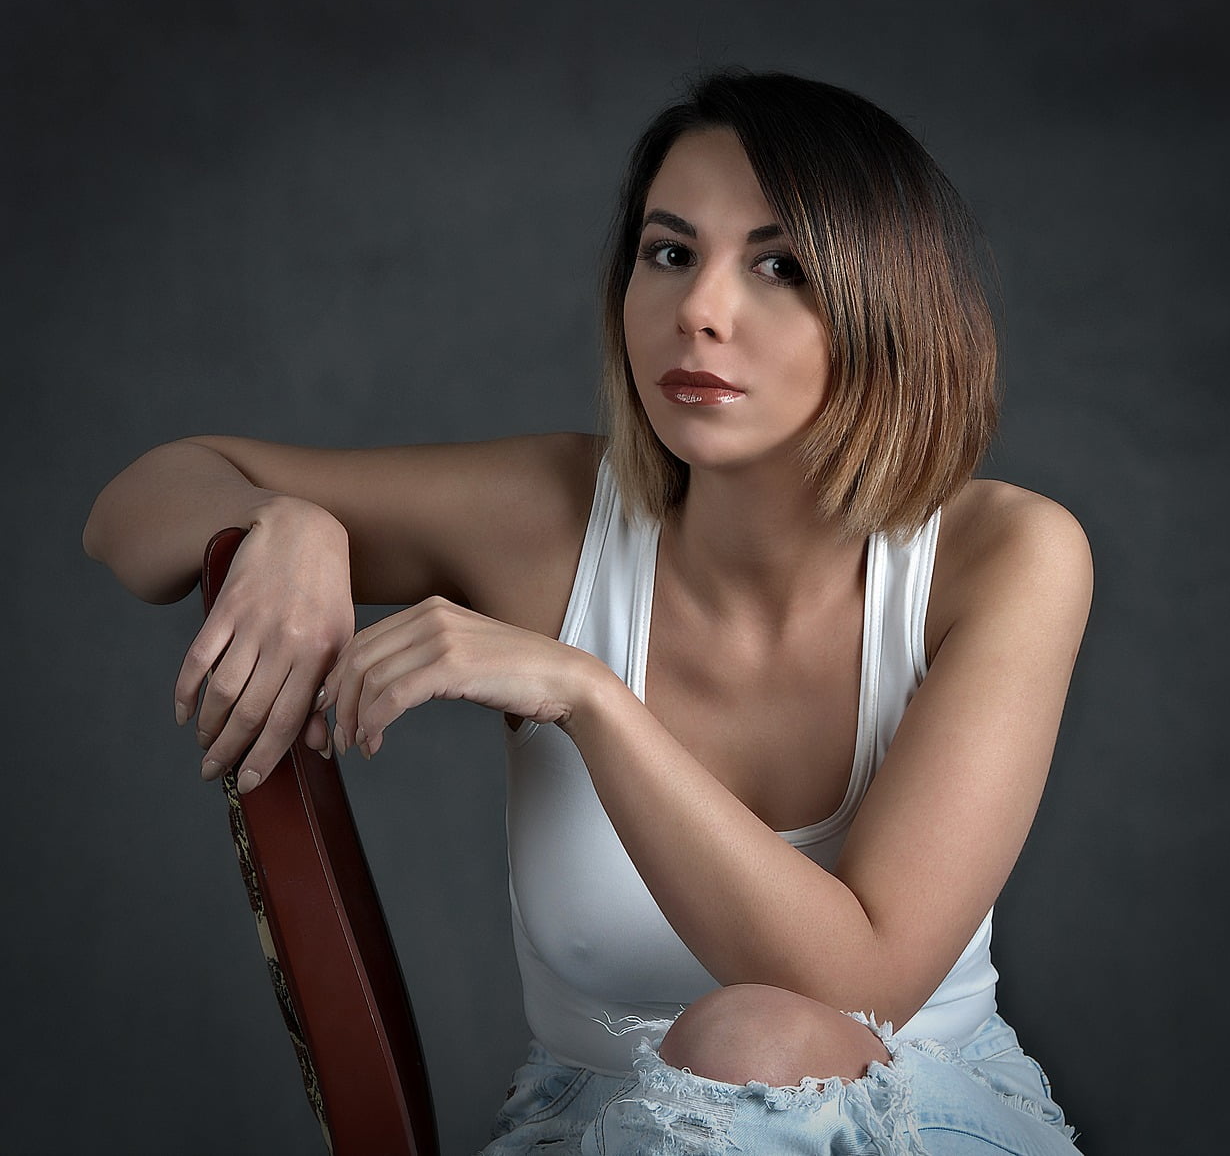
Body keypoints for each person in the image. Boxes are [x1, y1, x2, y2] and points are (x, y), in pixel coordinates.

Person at [84, 71, 1089, 1154]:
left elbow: (856, 983)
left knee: (754, 1031)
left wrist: (589, 697)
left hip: (915, 1117)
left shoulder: (1000, 555)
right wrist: (282, 523)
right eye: (668, 252)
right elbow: (133, 510)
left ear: (887, 303)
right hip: (595, 1128)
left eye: (779, 265)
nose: (698, 308)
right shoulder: (549, 521)